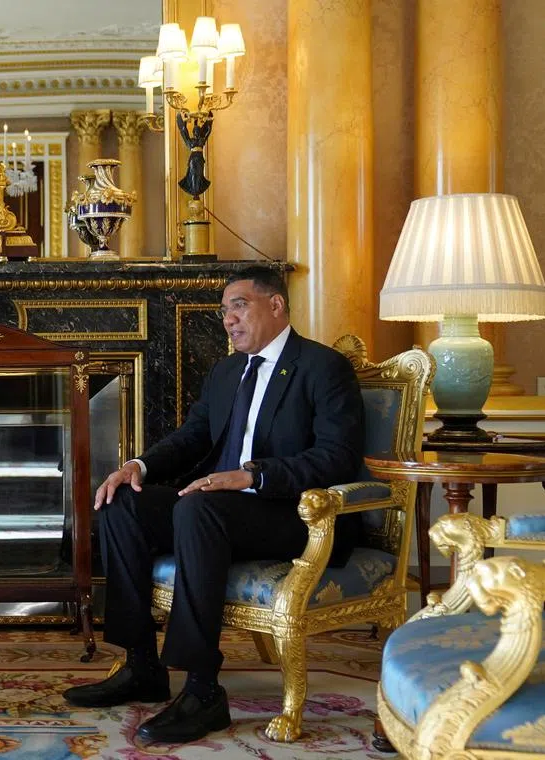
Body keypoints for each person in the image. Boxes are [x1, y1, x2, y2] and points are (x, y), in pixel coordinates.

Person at [63, 266, 364, 744]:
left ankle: (203, 690)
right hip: (219, 512)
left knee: (197, 509)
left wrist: (254, 474)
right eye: (224, 310)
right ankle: (142, 665)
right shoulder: (226, 372)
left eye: (239, 305)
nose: (228, 319)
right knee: (121, 502)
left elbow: (338, 456)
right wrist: (138, 465)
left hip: (289, 512)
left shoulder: (322, 367)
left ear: (276, 305)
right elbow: (192, 437)